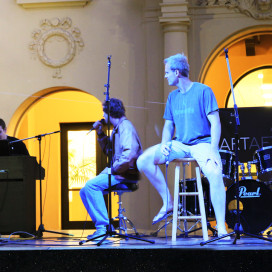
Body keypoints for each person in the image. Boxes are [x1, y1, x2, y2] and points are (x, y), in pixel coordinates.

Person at [137, 53, 229, 237]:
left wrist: (214, 150)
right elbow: (168, 125)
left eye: (167, 72)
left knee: (215, 173)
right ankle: (168, 202)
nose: (165, 75)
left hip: (202, 143)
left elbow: (216, 123)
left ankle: (221, 227)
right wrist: (164, 143)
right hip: (180, 143)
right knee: (143, 161)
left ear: (177, 72)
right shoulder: (172, 97)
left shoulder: (203, 91)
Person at [80, 98, 143, 240]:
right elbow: (109, 150)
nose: (102, 116)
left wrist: (114, 169)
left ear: (110, 112)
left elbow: (129, 154)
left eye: (104, 112)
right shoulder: (117, 128)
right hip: (118, 169)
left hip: (125, 172)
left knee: (91, 186)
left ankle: (102, 228)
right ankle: (106, 226)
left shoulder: (125, 127)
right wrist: (100, 133)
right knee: (84, 191)